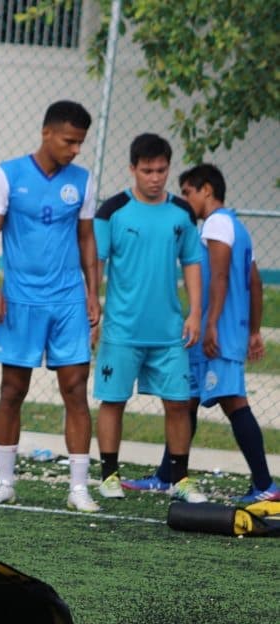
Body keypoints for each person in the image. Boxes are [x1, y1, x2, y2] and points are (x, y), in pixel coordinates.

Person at [121, 164, 279, 502]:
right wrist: (253, 330)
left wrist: (211, 325)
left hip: (216, 335)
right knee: (185, 400)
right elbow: (254, 282)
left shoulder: (217, 224)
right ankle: (167, 476)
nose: (184, 199)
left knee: (233, 402)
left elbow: (220, 277)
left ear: (207, 190)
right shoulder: (238, 227)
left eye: (188, 192)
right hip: (219, 332)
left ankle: (265, 485)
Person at [0, 100, 102, 512]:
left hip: (67, 300)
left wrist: (93, 293)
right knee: (13, 390)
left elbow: (87, 238)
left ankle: (79, 488)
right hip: (20, 300)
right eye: (69, 141)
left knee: (75, 390)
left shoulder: (82, 181)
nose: (75, 150)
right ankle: (4, 482)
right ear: (46, 133)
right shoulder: (7, 174)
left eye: (80, 143)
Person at [92, 133, 207, 503]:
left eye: (161, 170)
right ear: (132, 169)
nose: (155, 178)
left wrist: (195, 313)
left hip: (169, 331)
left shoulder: (182, 213)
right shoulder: (112, 211)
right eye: (147, 171)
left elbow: (192, 262)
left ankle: (180, 479)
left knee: (178, 403)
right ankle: (109, 475)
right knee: (113, 401)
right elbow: (95, 264)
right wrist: (91, 310)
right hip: (122, 330)